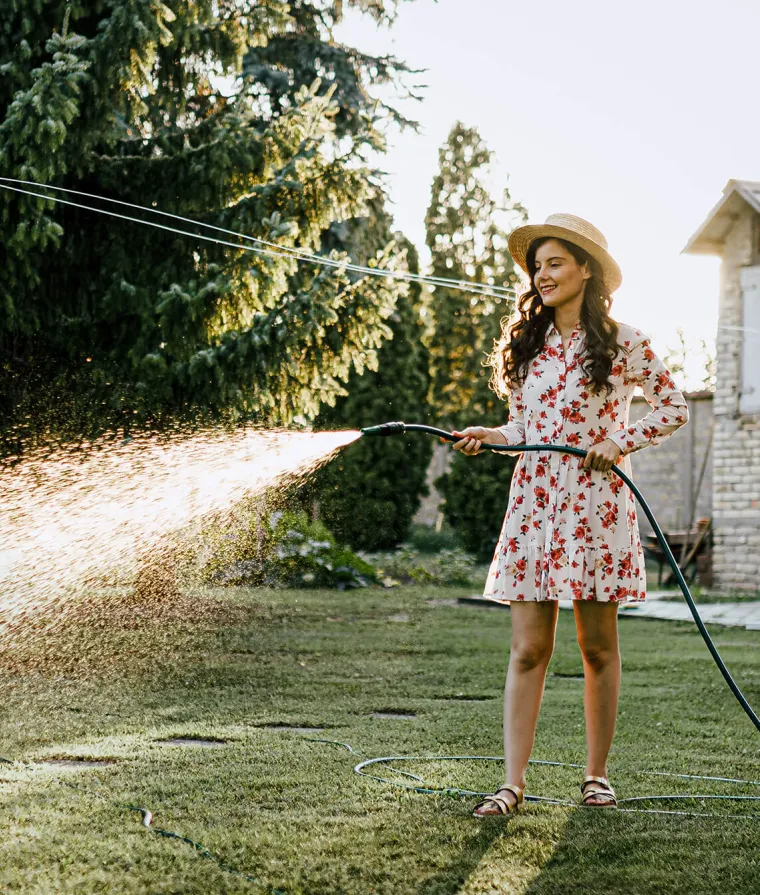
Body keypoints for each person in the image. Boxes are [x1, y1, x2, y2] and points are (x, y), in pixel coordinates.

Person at [452, 213, 689, 817]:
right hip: (535, 505)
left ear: (587, 269)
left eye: (555, 263)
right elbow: (526, 428)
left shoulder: (623, 340)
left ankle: (596, 776)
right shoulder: (526, 347)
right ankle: (511, 784)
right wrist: (494, 435)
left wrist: (621, 441)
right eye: (537, 266)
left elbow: (674, 407)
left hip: (596, 505)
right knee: (528, 648)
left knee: (596, 648)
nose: (543, 275)